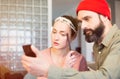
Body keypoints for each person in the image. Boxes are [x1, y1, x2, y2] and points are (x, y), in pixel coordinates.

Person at [22, 0, 120, 78]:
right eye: (54, 32)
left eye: (87, 19)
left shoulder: (117, 42)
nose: (83, 26)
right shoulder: (97, 46)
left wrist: (49, 71)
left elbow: (106, 76)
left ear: (105, 16)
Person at [22, 15, 88, 79]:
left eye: (62, 34)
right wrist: (64, 69)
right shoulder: (41, 56)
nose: (56, 38)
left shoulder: (79, 60)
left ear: (73, 37)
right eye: (54, 32)